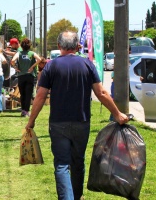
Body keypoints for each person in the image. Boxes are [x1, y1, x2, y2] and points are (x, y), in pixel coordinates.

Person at [25, 31, 129, 199]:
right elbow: (101, 93)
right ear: (76, 46)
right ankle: (77, 195)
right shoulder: (87, 64)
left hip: (58, 123)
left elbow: (40, 96)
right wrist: (117, 114)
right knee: (78, 161)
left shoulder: (51, 66)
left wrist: (31, 121)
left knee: (62, 164)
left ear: (59, 46)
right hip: (82, 122)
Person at [11, 38, 41, 117]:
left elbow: (12, 61)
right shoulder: (32, 53)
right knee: (28, 94)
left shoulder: (19, 53)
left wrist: (16, 68)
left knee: (22, 93)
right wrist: (32, 67)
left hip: (21, 75)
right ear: (29, 46)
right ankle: (26, 111)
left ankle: (23, 110)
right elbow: (39, 59)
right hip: (30, 75)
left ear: (21, 45)